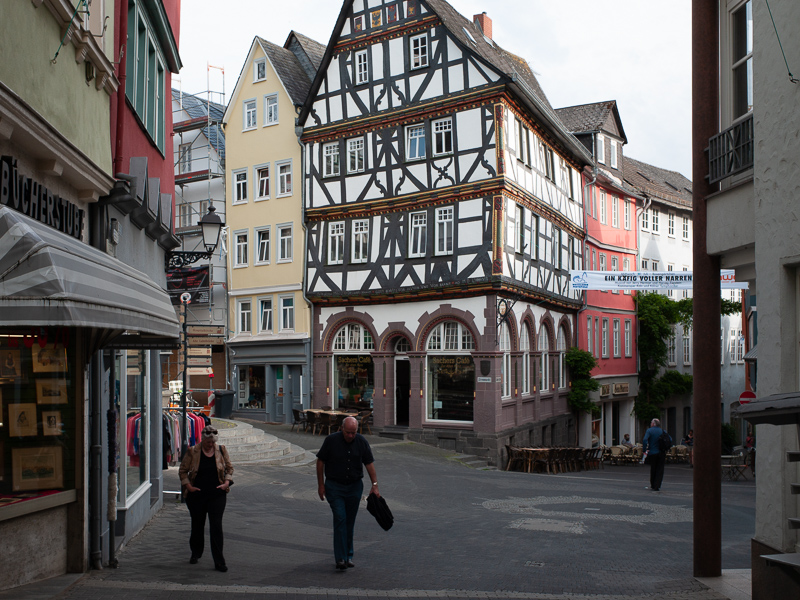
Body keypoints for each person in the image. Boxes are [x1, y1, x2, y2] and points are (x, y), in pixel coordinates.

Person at [316, 415, 379, 570]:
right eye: (348, 432)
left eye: (354, 432)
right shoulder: (331, 441)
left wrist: (375, 485)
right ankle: (340, 558)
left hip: (354, 487)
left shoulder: (362, 442)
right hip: (334, 486)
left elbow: (369, 463)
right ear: (341, 429)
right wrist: (321, 485)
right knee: (340, 518)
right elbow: (320, 461)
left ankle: (348, 555)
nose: (351, 436)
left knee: (349, 522)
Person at [179, 425, 234, 572]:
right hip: (197, 495)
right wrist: (189, 487)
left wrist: (226, 482)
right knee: (197, 525)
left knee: (216, 526)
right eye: (208, 442)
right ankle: (196, 552)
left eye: (213, 442)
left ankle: (219, 561)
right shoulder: (193, 451)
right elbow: (183, 471)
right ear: (203, 440)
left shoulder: (221, 450)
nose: (211, 445)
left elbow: (229, 468)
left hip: (217, 495)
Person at [642, 418, 669, 491]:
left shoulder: (649, 430)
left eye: (651, 422)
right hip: (661, 452)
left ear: (653, 424)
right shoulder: (662, 431)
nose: (650, 424)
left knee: (653, 468)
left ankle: (653, 484)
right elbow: (670, 439)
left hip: (653, 452)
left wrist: (644, 449)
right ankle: (657, 485)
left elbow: (645, 440)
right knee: (660, 469)